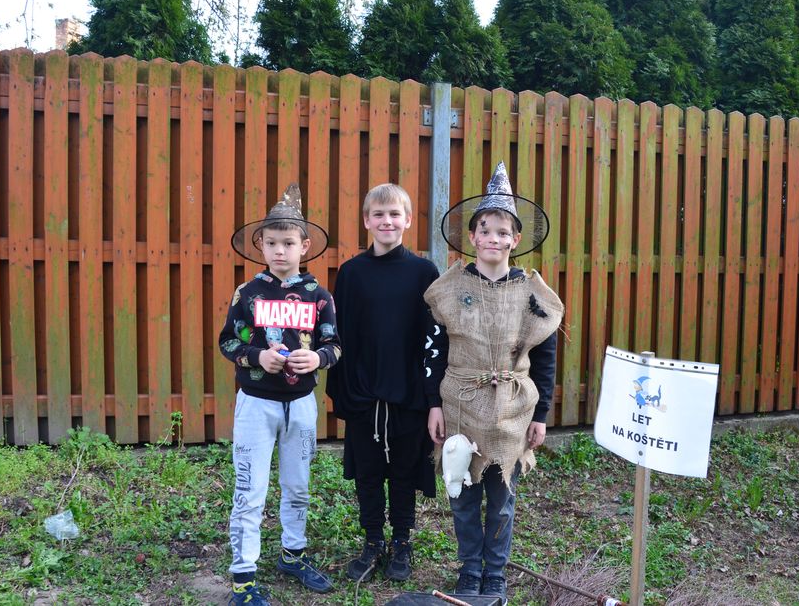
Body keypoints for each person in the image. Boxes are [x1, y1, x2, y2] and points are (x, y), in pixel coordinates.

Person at [424, 162, 563, 606]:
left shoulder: (533, 294)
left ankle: (495, 574)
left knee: (501, 496)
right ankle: (469, 569)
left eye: (503, 232)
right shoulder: (450, 288)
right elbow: (434, 349)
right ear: (473, 236)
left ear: (515, 240)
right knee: (462, 490)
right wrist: (433, 404)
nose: (493, 238)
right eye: (485, 230)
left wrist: (540, 415)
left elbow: (544, 358)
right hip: (460, 403)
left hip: (511, 410)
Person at [219, 183, 341, 606]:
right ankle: (243, 579)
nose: (279, 251)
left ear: (304, 246)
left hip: (301, 405)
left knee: (298, 486)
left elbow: (334, 345)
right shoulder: (248, 294)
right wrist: (257, 356)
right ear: (261, 245)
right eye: (271, 243)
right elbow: (228, 342)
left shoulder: (319, 297)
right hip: (256, 404)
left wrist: (317, 358)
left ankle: (293, 554)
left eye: (288, 243)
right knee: (249, 490)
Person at [326, 183, 440, 582]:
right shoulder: (352, 273)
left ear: (408, 221)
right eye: (378, 214)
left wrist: (430, 398)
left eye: (394, 214)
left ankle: (402, 541)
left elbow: (432, 337)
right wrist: (347, 391)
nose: (386, 221)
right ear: (366, 221)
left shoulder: (424, 272)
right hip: (364, 394)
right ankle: (373, 541)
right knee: (369, 473)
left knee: (404, 472)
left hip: (407, 395)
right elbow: (342, 333)